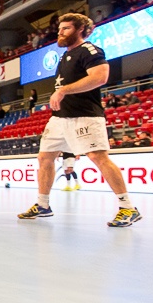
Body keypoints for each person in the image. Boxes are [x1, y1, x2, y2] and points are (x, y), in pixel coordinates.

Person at [18, 13, 141, 226]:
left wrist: (64, 90)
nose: (60, 32)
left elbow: (100, 77)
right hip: (59, 118)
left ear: (81, 30)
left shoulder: (89, 50)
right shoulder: (65, 56)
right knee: (44, 158)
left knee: (98, 157)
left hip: (84, 115)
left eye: (66, 28)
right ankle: (43, 204)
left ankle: (128, 207)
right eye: (60, 29)